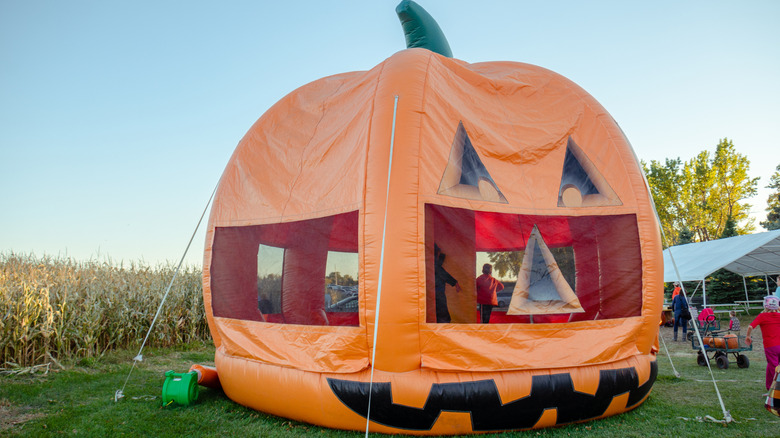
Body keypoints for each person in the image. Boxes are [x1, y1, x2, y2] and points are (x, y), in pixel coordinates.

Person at [746, 296, 780, 390]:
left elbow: (750, 327)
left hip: (771, 346)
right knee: (771, 367)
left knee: (773, 367)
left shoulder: (762, 316)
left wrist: (748, 336)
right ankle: (769, 387)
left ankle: (774, 389)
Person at [434, 245, 461, 323]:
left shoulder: (435, 265)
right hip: (437, 293)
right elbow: (442, 273)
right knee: (442, 316)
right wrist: (455, 283)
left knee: (442, 315)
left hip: (437, 292)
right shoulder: (435, 266)